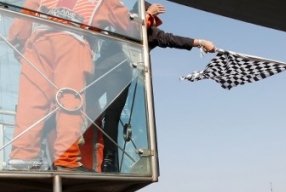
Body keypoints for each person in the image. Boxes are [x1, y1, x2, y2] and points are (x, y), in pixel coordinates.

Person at [7, 0, 138, 171]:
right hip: (73, 41)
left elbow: (24, 17)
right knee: (69, 100)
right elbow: (128, 27)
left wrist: (19, 40)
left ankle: (22, 156)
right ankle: (66, 159)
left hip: (38, 42)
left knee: (31, 102)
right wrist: (143, 21)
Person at [86, 2, 216, 172]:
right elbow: (130, 29)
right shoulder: (124, 23)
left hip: (118, 74)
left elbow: (171, 39)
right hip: (103, 72)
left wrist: (200, 42)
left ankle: (109, 162)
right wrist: (146, 13)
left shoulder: (149, 32)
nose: (153, 21)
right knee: (83, 111)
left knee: (110, 117)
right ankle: (92, 158)